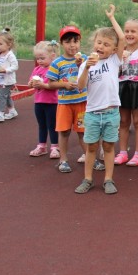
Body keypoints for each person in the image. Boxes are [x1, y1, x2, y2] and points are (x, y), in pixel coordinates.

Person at [74, 5, 125, 194]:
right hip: (93, 113)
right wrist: (87, 67)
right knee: (92, 147)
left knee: (109, 146)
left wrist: (112, 18)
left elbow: (121, 38)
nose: (101, 47)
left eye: (106, 44)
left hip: (111, 112)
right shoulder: (86, 64)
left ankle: (108, 179)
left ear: (114, 50)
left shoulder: (114, 61)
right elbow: (80, 86)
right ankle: (87, 179)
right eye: (99, 43)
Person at [46, 26, 97, 173]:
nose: (72, 45)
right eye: (68, 42)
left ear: (80, 42)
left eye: (75, 41)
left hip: (82, 103)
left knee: (83, 132)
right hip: (65, 104)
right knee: (64, 132)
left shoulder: (85, 59)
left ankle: (90, 158)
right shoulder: (57, 63)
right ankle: (63, 160)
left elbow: (93, 76)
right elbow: (51, 83)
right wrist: (64, 85)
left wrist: (82, 66)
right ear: (62, 43)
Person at [114, 20, 138, 167]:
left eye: (133, 31)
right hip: (123, 86)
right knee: (123, 122)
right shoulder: (120, 50)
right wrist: (120, 60)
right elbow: (115, 71)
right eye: (127, 31)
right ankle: (123, 152)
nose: (129, 34)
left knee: (137, 121)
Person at [28, 41, 59, 158]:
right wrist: (32, 83)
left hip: (52, 102)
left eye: (42, 58)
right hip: (39, 102)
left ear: (52, 56)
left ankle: (55, 147)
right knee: (42, 124)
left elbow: (54, 85)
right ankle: (42, 145)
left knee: (52, 125)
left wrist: (42, 85)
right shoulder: (37, 69)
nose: (39, 61)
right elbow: (30, 82)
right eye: (37, 58)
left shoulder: (54, 69)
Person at [0, 28, 19, 122]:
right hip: (0, 79)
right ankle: (12, 111)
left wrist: (6, 70)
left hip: (7, 81)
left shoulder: (10, 55)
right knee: (7, 96)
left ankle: (0, 113)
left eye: (0, 44)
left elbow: (15, 66)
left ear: (9, 45)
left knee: (1, 95)